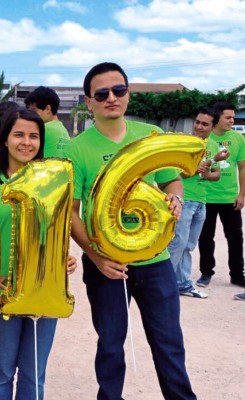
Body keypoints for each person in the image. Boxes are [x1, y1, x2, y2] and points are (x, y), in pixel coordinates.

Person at [65, 62, 196, 400]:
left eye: (119, 90)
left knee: (169, 343)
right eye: (102, 93)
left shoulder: (150, 136)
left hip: (156, 261)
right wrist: (95, 259)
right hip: (107, 266)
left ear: (128, 94)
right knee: (110, 346)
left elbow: (172, 180)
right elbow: (72, 213)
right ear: (89, 101)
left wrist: (175, 198)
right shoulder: (76, 149)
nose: (112, 98)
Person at [0, 107, 77, 400]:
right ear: (4, 139)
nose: (26, 142)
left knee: (34, 374)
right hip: (0, 292)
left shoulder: (54, 184)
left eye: (34, 136)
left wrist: (63, 259)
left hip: (43, 292)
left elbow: (55, 233)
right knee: (1, 372)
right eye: (18, 134)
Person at [168, 108, 226, 299]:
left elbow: (216, 176)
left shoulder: (214, 146)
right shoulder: (186, 144)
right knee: (177, 243)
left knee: (189, 245)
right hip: (184, 199)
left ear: (213, 126)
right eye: (197, 122)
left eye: (204, 124)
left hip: (201, 201)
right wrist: (207, 164)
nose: (198, 126)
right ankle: (164, 283)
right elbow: (183, 173)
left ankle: (182, 284)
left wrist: (204, 169)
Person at [197, 101, 245, 288]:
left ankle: (237, 274)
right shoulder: (203, 138)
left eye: (233, 117)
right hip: (205, 197)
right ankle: (206, 272)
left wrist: (242, 194)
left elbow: (242, 168)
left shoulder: (238, 138)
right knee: (205, 237)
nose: (232, 120)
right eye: (228, 117)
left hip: (229, 197)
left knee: (235, 237)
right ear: (216, 119)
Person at [24, 86, 70, 157]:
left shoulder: (43, 128)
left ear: (48, 109)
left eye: (34, 110)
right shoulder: (64, 130)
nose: (31, 115)